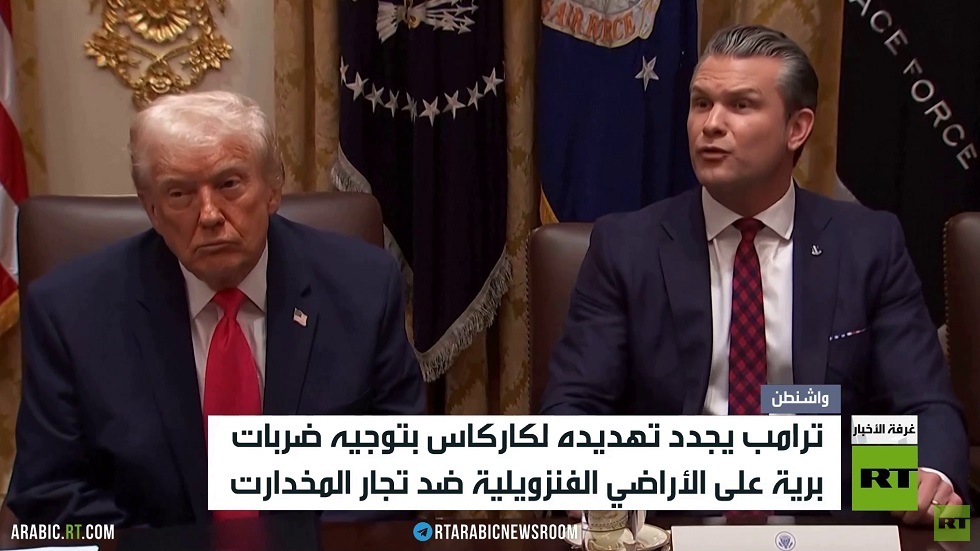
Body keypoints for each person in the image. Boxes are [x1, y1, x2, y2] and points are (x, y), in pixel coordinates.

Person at [540, 24, 969, 525]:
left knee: (952, 527)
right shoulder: (626, 247)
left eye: (740, 105)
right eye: (701, 104)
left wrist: (928, 474)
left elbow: (922, 404)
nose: (711, 124)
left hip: (831, 522)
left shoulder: (868, 244)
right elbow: (576, 403)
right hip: (671, 523)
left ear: (797, 128)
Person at [6, 91, 425, 527]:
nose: (209, 215)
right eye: (179, 193)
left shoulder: (362, 285)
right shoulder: (70, 312)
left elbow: (403, 466)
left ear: (273, 189)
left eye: (229, 184)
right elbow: (47, 493)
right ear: (151, 209)